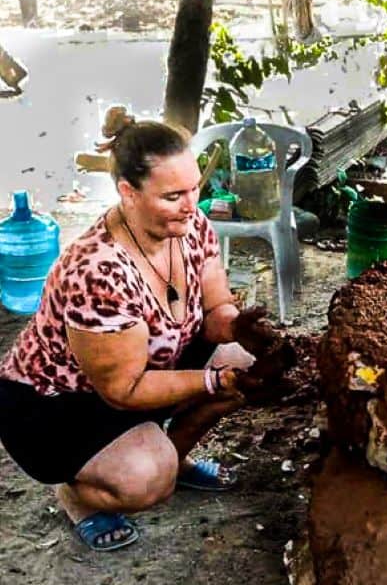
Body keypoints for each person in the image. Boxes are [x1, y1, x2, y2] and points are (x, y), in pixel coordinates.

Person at [0, 106, 280, 551]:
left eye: (195, 189)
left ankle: (177, 457)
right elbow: (123, 391)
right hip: (58, 405)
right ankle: (78, 495)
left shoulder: (192, 226)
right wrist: (213, 381)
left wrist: (236, 326)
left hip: (144, 366)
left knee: (241, 360)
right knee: (147, 478)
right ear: (128, 193)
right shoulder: (97, 270)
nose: (191, 206)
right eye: (173, 196)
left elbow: (216, 309)